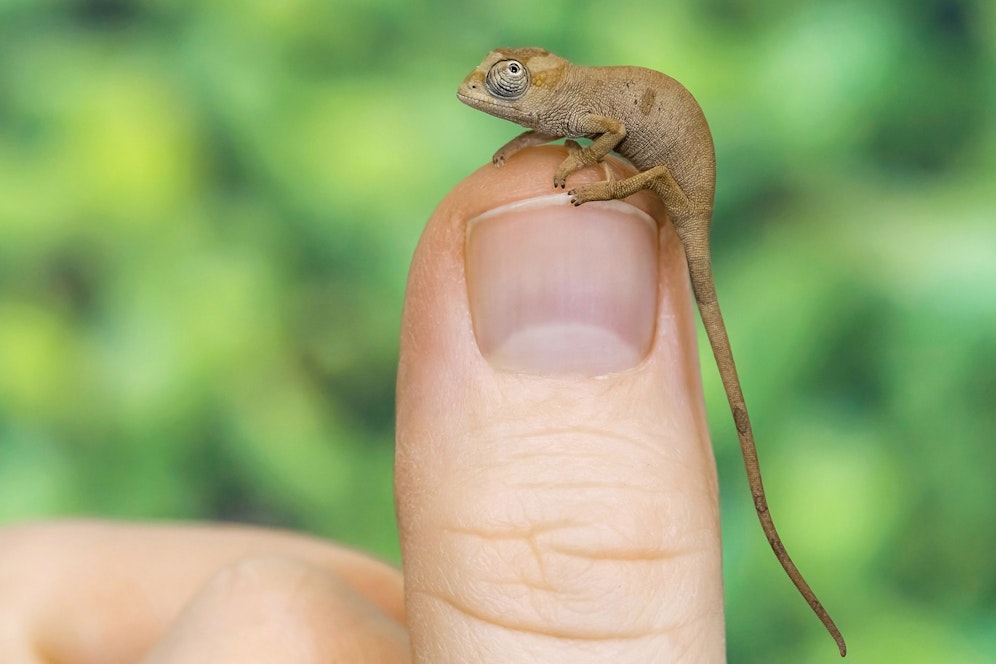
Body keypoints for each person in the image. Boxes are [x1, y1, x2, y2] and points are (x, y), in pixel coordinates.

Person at [0, 146, 725, 662]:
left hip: (673, 176)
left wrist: (593, 187)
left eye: (508, 83)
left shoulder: (585, 104)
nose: (487, 91)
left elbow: (612, 141)